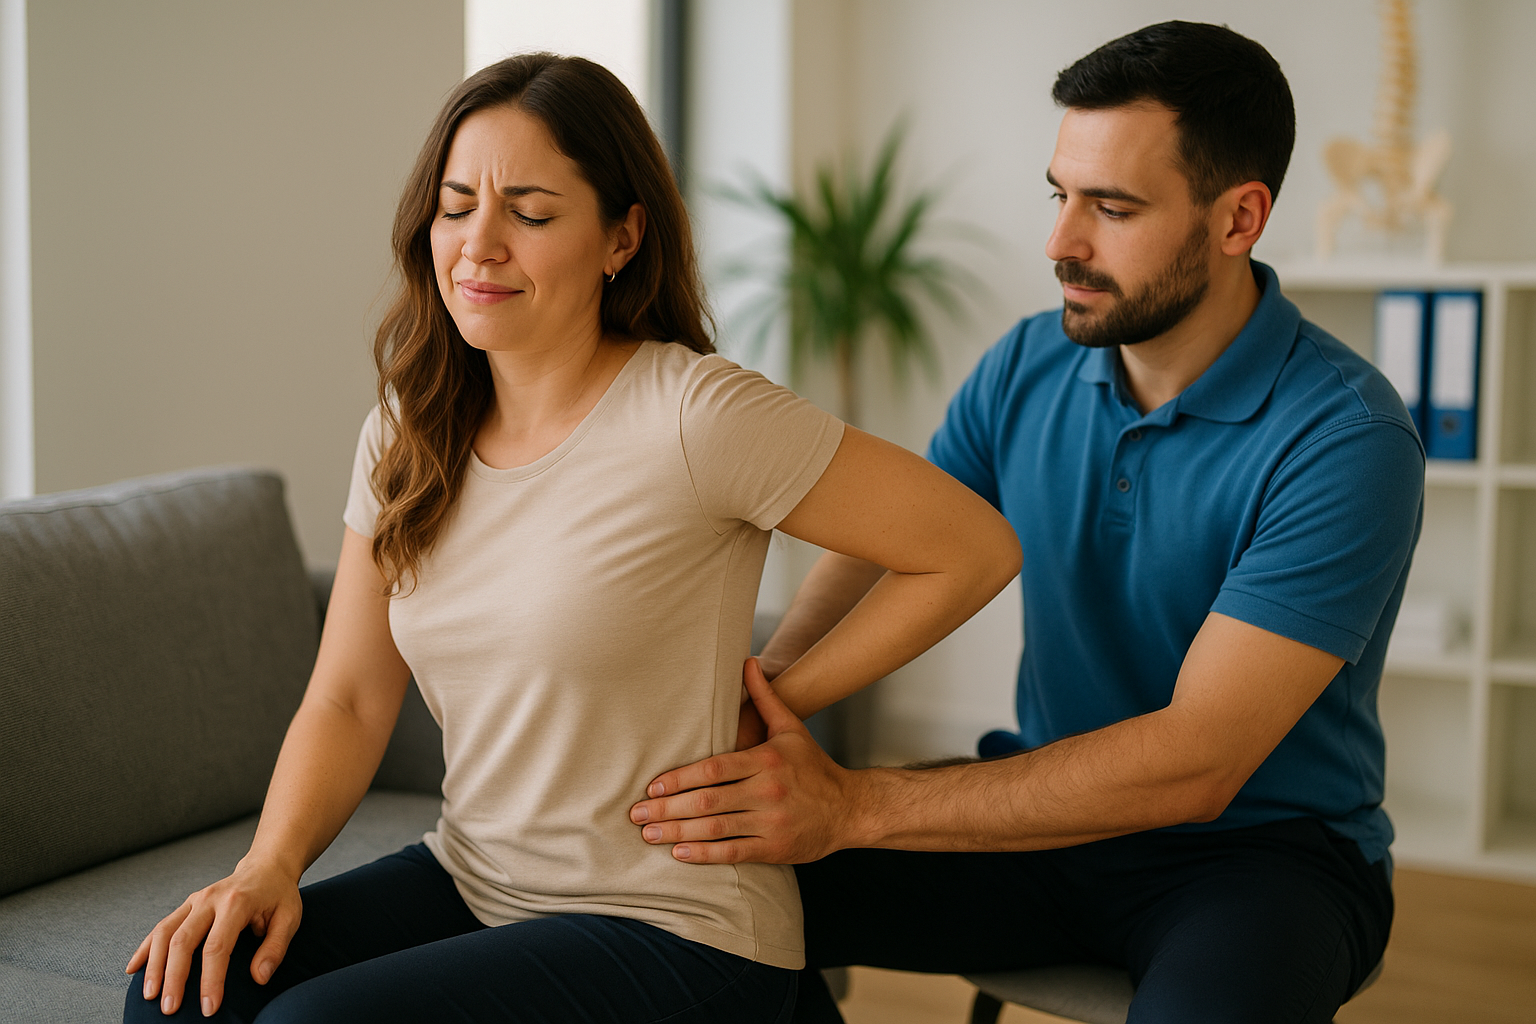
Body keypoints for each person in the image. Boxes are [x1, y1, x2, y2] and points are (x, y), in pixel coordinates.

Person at [123, 53, 1021, 1024]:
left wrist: (775, 697)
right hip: (477, 880)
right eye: (456, 204)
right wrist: (268, 867)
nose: (479, 245)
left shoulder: (694, 413)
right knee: (175, 998)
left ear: (621, 237)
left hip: (677, 924)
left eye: (532, 213)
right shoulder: (407, 425)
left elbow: (971, 548)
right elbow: (347, 695)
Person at [628, 21, 1424, 1024]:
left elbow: (1198, 761)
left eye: (1114, 207)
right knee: (686, 904)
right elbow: (888, 549)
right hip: (1039, 821)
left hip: (1265, 858)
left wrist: (857, 805)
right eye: (1062, 195)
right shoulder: (1026, 362)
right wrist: (766, 697)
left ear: (1238, 219)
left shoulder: (1347, 436)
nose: (1061, 243)